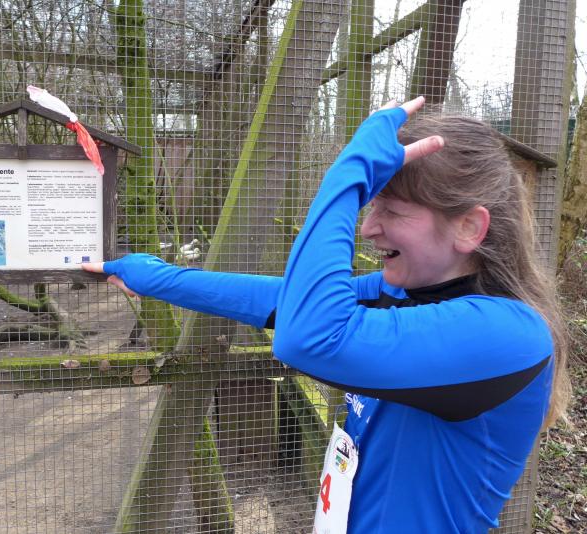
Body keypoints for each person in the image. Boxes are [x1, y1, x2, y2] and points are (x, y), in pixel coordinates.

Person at [82, 97, 569, 533]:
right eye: (370, 205)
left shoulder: (510, 335)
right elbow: (283, 300)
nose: (368, 228)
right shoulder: (402, 293)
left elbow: (309, 335)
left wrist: (348, 173)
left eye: (390, 210)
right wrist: (158, 277)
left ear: (468, 227)